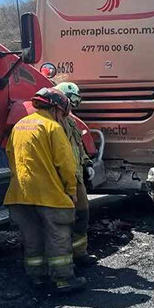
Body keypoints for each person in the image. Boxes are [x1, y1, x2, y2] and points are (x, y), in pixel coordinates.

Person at [3, 88, 87, 294]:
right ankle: (63, 280)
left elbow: (10, 155)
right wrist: (72, 189)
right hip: (49, 195)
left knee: (32, 238)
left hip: (20, 194)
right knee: (58, 236)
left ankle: (36, 277)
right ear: (57, 109)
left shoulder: (20, 125)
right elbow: (66, 164)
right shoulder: (52, 127)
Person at [54, 82, 97, 268]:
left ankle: (79, 253)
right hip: (61, 180)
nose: (72, 106)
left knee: (82, 215)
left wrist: (87, 164)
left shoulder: (71, 122)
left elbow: (78, 147)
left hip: (76, 177)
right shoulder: (53, 123)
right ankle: (64, 260)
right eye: (70, 101)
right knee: (63, 221)